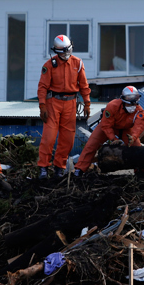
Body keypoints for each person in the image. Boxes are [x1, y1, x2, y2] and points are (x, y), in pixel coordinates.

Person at [37, 35, 91, 179]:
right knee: (48, 137)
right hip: (53, 103)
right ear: (56, 51)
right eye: (62, 52)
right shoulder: (49, 65)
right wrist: (42, 105)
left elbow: (84, 86)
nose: (66, 55)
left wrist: (87, 103)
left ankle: (59, 168)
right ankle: (43, 167)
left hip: (71, 104)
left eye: (68, 51)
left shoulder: (78, 63)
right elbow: (42, 87)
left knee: (67, 139)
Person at [74, 86, 144, 176]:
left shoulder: (139, 111)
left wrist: (133, 137)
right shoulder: (113, 106)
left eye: (134, 101)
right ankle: (79, 169)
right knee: (91, 145)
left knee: (137, 147)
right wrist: (113, 138)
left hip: (125, 130)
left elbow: (139, 126)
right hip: (107, 127)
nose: (132, 106)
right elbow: (106, 125)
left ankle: (141, 170)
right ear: (123, 100)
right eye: (129, 103)